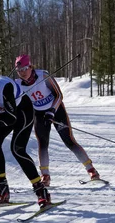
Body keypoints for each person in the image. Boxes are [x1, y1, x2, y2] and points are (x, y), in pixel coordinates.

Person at [0, 65, 51, 207]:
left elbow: (11, 118)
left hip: (22, 111)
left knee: (17, 149)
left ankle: (41, 191)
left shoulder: (3, 86)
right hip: (4, 115)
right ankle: (2, 189)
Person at [14, 54, 100, 186]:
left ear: (31, 66)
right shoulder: (18, 84)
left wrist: (52, 111)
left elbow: (59, 95)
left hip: (56, 110)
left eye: (25, 68)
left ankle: (91, 170)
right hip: (39, 114)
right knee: (42, 144)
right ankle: (45, 176)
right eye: (19, 70)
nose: (22, 73)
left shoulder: (43, 76)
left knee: (69, 141)